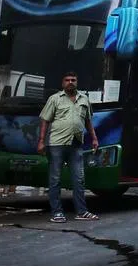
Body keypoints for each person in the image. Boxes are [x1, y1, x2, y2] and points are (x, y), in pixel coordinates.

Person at [38, 72, 100, 223]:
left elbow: (88, 121)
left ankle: (81, 212)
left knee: (79, 179)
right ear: (63, 83)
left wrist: (94, 138)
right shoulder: (55, 99)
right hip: (56, 144)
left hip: (76, 144)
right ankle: (57, 213)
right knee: (55, 179)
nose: (70, 82)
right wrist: (41, 141)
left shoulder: (84, 99)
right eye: (67, 80)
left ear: (77, 82)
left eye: (73, 80)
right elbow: (45, 120)